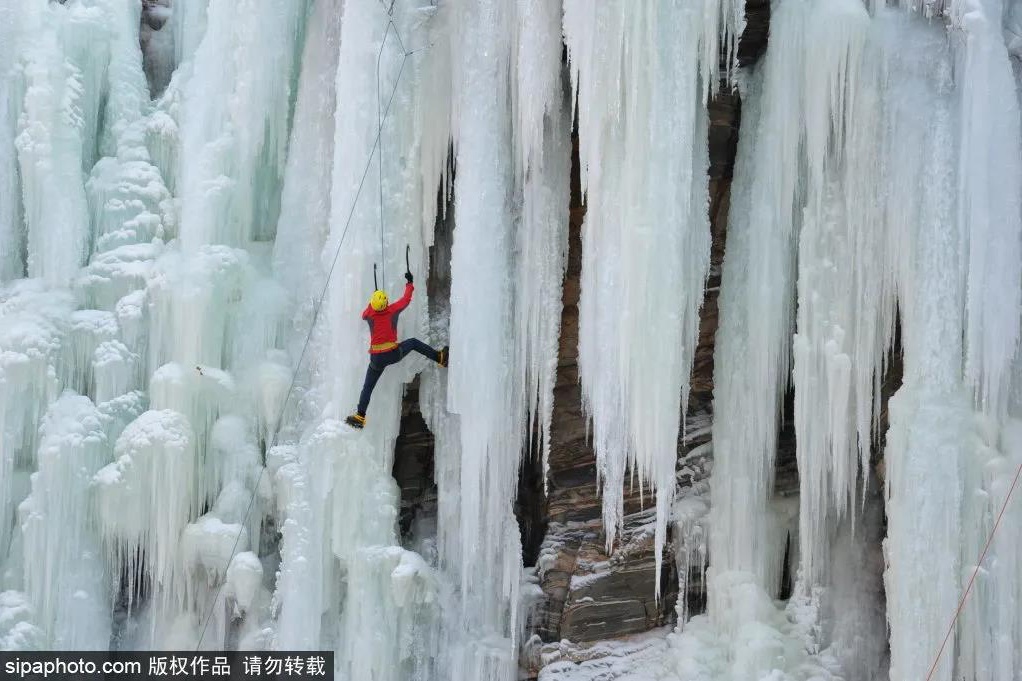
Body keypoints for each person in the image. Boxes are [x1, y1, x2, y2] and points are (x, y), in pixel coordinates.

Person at [345, 269, 448, 429]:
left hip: (376, 359)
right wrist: (410, 283)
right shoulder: (392, 310)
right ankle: (440, 357)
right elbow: (406, 300)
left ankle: (360, 416)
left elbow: (364, 314)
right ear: (386, 303)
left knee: (368, 387)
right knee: (413, 343)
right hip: (393, 354)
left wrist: (373, 303)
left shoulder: (370, 315)